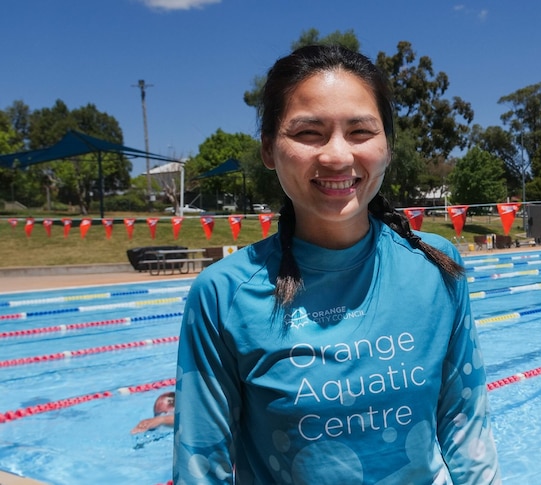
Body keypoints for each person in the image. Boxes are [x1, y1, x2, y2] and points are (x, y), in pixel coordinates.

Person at [173, 44, 500, 484]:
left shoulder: (435, 266)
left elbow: (466, 429)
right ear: (269, 149)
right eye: (309, 133)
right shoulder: (223, 295)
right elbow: (202, 467)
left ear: (387, 145)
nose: (337, 156)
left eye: (361, 132)